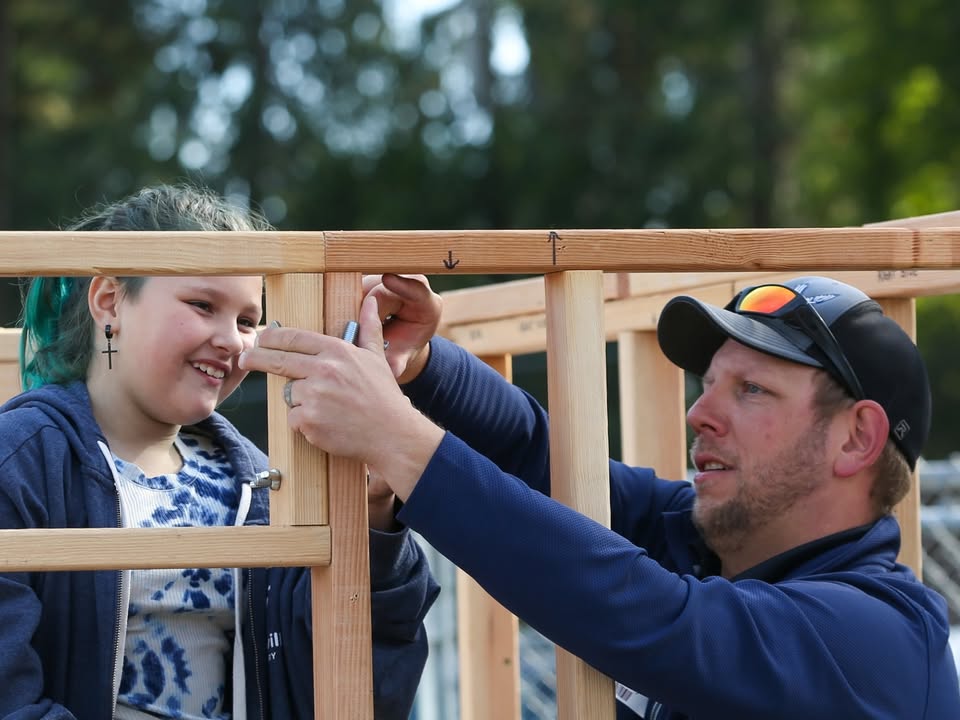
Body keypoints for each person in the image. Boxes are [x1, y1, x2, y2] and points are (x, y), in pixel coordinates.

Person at [240, 273, 960, 719]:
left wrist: (399, 440)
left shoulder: (882, 642)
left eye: (751, 390)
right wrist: (420, 369)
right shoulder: (711, 540)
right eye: (707, 384)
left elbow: (656, 618)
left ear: (856, 440)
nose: (699, 413)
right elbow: (539, 457)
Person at [0, 186, 438, 720]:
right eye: (203, 305)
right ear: (110, 301)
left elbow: (358, 679)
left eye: (248, 321)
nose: (232, 340)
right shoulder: (22, 459)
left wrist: (373, 513)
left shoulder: (261, 481)